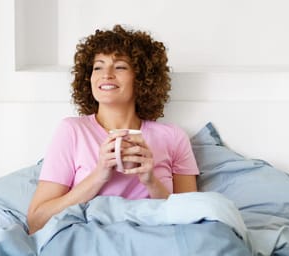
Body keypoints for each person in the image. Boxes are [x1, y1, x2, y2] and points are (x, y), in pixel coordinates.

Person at [27, 25, 199, 234]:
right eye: (98, 67)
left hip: (153, 243)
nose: (106, 74)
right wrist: (99, 175)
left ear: (142, 78)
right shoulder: (72, 130)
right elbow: (36, 221)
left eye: (120, 67)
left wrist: (150, 180)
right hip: (90, 242)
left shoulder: (173, 137)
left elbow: (192, 220)